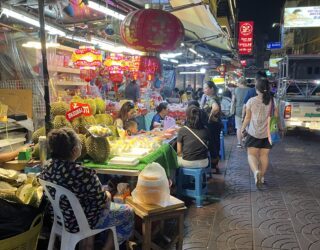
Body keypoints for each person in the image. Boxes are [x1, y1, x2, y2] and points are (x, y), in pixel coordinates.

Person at [40, 128, 134, 249]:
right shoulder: (84, 174)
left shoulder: (47, 167)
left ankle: (88, 244)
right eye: (79, 143)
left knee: (91, 203)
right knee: (128, 212)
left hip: (61, 219)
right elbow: (103, 201)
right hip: (83, 222)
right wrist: (108, 193)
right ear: (75, 150)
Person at [241, 79, 282, 186]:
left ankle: (256, 173)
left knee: (251, 154)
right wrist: (280, 128)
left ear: (256, 89)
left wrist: (242, 128)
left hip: (253, 133)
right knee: (264, 156)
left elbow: (247, 118)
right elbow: (277, 117)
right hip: (268, 134)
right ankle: (262, 177)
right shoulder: (273, 101)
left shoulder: (251, 101)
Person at [200, 81, 222, 174]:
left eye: (206, 88)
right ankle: (215, 165)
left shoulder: (212, 99)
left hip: (213, 125)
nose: (204, 90)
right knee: (215, 144)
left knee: (212, 144)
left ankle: (214, 165)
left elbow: (216, 108)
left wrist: (209, 117)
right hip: (215, 124)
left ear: (211, 89)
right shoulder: (211, 97)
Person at [232, 78, 250, 147]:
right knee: (247, 126)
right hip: (248, 110)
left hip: (238, 110)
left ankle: (239, 143)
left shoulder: (236, 90)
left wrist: (232, 109)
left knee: (239, 127)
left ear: (240, 83)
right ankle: (246, 140)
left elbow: (233, 101)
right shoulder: (249, 90)